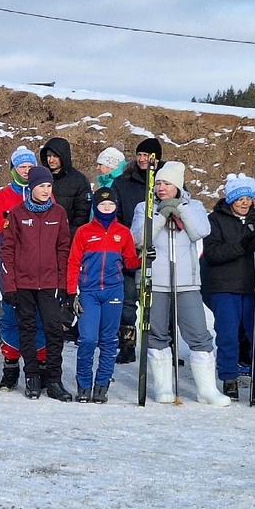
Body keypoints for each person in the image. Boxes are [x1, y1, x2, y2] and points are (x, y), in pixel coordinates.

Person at [132, 161, 229, 406]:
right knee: (157, 334)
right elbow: (139, 239)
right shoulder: (145, 207)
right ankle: (163, 388)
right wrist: (162, 216)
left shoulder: (193, 205)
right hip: (156, 282)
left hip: (187, 282)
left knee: (199, 334)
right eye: (159, 183)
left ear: (177, 185)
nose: (161, 188)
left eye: (167, 183)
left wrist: (180, 210)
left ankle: (206, 390)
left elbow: (200, 231)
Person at [1, 166, 73, 401]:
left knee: (54, 330)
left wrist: (63, 283)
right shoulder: (17, 213)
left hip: (50, 283)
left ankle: (53, 379)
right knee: (28, 329)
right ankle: (31, 376)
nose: (45, 190)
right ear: (31, 187)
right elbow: (7, 251)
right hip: (23, 283)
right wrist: (10, 285)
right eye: (41, 185)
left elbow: (63, 249)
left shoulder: (58, 213)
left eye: (48, 186)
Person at [68, 187, 138, 403]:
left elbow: (130, 262)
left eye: (110, 205)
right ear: (95, 207)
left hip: (113, 291)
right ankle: (84, 384)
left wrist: (144, 257)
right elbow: (73, 263)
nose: (106, 208)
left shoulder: (123, 232)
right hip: (89, 292)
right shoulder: (84, 232)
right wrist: (72, 292)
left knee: (109, 341)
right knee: (88, 339)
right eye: (102, 205)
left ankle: (102, 384)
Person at [0, 146, 47, 390]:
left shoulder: (45, 192)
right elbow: (1, 226)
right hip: (12, 264)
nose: (26, 170)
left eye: (29, 166)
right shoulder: (3, 195)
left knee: (40, 317)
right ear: (13, 168)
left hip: (39, 266)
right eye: (21, 166)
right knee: (12, 315)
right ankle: (10, 366)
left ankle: (39, 366)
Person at [202, 173, 255, 401]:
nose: (245, 202)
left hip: (253, 287)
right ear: (231, 199)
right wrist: (243, 245)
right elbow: (213, 253)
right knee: (227, 335)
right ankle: (229, 377)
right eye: (239, 198)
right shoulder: (216, 220)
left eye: (249, 197)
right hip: (225, 286)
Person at [111, 138, 162, 364]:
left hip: (160, 252)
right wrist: (125, 242)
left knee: (159, 301)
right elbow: (116, 215)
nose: (142, 159)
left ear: (157, 159)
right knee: (128, 302)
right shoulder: (123, 183)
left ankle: (164, 345)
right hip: (130, 251)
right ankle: (127, 345)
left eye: (147, 155)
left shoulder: (166, 182)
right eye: (139, 154)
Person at [40, 137, 91, 234]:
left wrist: (68, 234)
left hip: (69, 236)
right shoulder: (41, 178)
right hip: (43, 235)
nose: (51, 160)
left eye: (55, 156)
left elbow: (82, 213)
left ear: (63, 156)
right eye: (48, 156)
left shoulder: (79, 180)